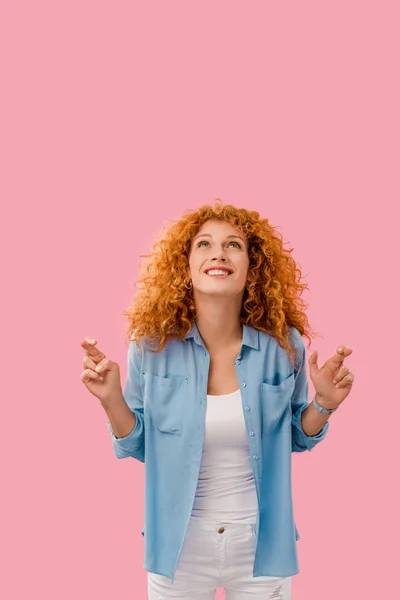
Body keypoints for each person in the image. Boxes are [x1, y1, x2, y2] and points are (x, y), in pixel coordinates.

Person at [80, 199, 354, 599]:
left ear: (252, 267)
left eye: (234, 245)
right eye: (204, 244)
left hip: (261, 544)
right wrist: (110, 399)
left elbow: (296, 435)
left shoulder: (284, 347)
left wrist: (324, 404)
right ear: (185, 265)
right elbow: (139, 444)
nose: (219, 253)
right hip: (178, 546)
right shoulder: (151, 347)